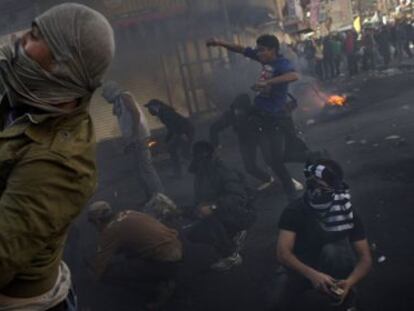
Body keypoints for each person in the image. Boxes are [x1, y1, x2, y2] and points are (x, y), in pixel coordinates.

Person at [0, 3, 115, 310]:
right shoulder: (30, 90)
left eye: (35, 37)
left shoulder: (58, 163)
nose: (22, 38)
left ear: (64, 66)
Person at [206, 34, 307, 201]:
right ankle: (287, 188)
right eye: (258, 50)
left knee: (279, 158)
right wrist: (219, 42)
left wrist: (269, 82)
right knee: (271, 158)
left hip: (275, 117)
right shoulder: (264, 60)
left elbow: (295, 76)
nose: (258, 53)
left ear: (272, 50)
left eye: (262, 50)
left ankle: (300, 180)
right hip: (261, 115)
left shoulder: (281, 64)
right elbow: (241, 49)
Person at [274, 159, 372, 311]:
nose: (317, 191)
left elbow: (365, 258)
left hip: (335, 267)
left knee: (334, 251)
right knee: (276, 300)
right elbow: (283, 253)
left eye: (322, 186)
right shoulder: (295, 210)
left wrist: (349, 283)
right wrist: (312, 275)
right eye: (313, 185)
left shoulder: (346, 211)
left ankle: (346, 297)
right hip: (302, 266)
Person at [87, 201, 183, 310]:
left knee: (107, 273)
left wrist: (92, 278)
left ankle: (158, 287)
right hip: (175, 246)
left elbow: (99, 266)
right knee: (129, 251)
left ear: (97, 220)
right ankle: (160, 276)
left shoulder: (110, 231)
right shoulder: (128, 213)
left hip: (165, 260)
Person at [187, 141, 255, 271]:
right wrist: (178, 211)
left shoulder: (223, 171)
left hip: (242, 212)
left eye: (202, 155)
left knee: (210, 220)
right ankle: (233, 234)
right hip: (224, 211)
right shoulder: (201, 174)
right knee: (194, 234)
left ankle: (231, 255)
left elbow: (237, 197)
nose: (199, 159)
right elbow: (201, 201)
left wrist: (213, 207)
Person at [102, 81, 166, 201]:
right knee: (139, 170)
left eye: (106, 94)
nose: (105, 97)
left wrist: (135, 133)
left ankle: (160, 197)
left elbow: (135, 113)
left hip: (139, 137)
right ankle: (151, 197)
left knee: (146, 168)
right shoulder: (118, 101)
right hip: (133, 139)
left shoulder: (124, 96)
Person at [210, 93, 273, 190]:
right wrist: (216, 146)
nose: (238, 113)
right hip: (245, 140)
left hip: (261, 135)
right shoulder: (231, 114)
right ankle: (268, 179)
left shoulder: (255, 112)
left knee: (270, 160)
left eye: (241, 110)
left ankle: (283, 178)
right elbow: (214, 128)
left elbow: (268, 124)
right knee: (250, 167)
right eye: (237, 110)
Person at [145, 99, 194, 178]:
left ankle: (184, 172)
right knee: (178, 151)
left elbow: (177, 124)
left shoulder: (165, 112)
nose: (150, 110)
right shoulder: (163, 112)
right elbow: (171, 127)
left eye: (151, 107)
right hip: (185, 130)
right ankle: (179, 173)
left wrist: (182, 134)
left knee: (184, 153)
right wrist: (167, 139)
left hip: (185, 131)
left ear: (157, 106)